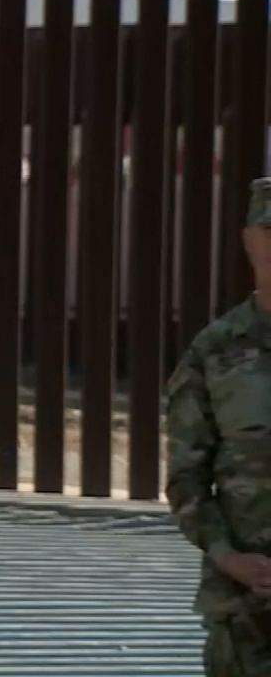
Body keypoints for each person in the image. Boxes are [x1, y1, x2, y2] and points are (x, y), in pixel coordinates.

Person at [167, 176, 271, 675]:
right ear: (250, 242)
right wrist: (230, 557)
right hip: (243, 609)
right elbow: (186, 477)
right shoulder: (215, 352)